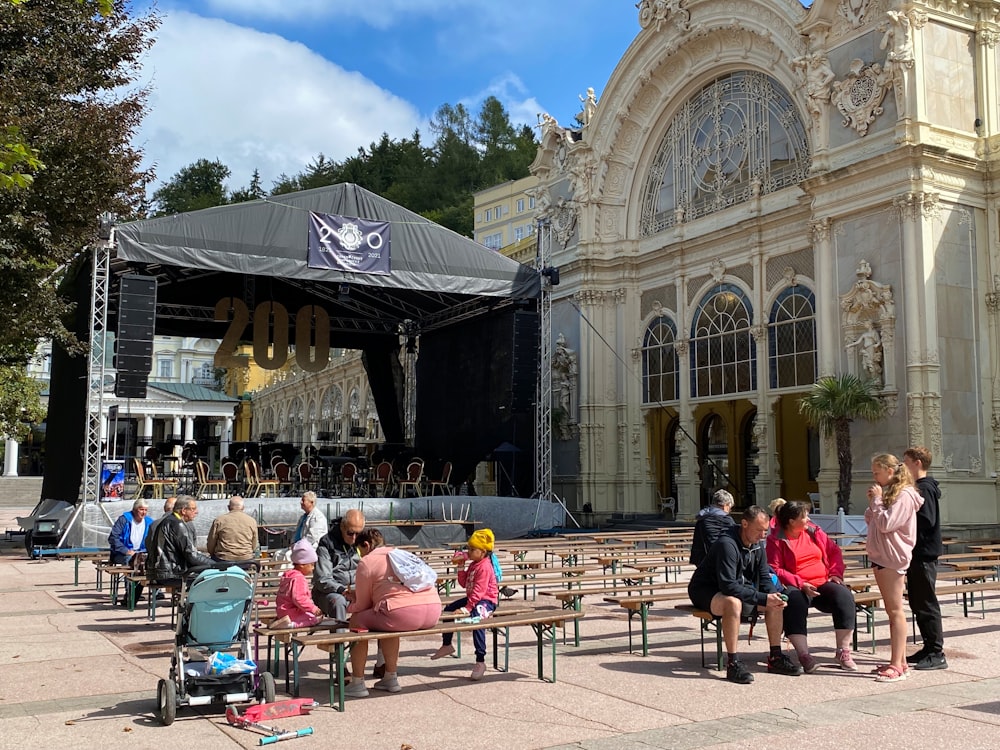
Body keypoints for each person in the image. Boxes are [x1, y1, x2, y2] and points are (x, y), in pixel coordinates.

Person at [687, 505, 802, 684]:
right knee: (733, 603)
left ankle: (775, 657)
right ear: (744, 524)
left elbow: (764, 577)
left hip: (737, 588)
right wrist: (763, 598)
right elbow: (728, 585)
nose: (763, 535)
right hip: (706, 590)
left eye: (766, 531)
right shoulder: (727, 544)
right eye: (759, 530)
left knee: (775, 602)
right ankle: (733, 663)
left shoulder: (758, 546)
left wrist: (773, 596)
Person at [343, 529, 442, 697]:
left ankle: (358, 682)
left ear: (366, 545)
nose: (358, 554)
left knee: (357, 620)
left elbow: (363, 604)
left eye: (359, 549)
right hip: (433, 609)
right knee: (389, 622)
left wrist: (349, 607)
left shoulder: (367, 561)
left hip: (401, 613)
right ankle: (391, 677)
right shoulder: (402, 554)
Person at [766, 500, 858, 672]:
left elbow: (834, 551)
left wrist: (835, 573)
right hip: (796, 584)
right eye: (804, 516)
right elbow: (775, 569)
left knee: (844, 596)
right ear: (792, 521)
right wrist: (801, 583)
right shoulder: (776, 539)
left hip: (822, 582)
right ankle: (804, 654)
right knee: (795, 601)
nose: (808, 519)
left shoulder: (814, 531)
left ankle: (843, 651)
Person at [865, 453, 924, 683]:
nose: (874, 477)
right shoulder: (891, 493)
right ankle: (899, 661)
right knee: (892, 611)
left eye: (876, 472)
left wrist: (878, 501)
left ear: (890, 471)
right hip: (883, 555)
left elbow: (887, 524)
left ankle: (897, 665)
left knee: (895, 611)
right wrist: (875, 503)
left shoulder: (905, 495)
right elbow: (873, 520)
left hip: (892, 557)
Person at [431, 528, 501, 680]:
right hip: (474, 598)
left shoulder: (484, 567)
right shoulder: (474, 564)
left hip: (487, 600)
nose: (468, 552)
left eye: (472, 549)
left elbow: (480, 590)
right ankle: (447, 644)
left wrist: (467, 608)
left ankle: (480, 660)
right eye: (468, 548)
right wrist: (461, 567)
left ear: (483, 551)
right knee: (449, 609)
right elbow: (464, 584)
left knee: (476, 620)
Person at [902, 446, 947, 670]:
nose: (903, 466)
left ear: (917, 463)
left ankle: (937, 652)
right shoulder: (919, 488)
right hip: (917, 553)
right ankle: (928, 647)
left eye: (906, 462)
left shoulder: (924, 488)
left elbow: (926, 520)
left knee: (927, 602)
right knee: (918, 602)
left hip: (924, 552)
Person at [312, 509, 365, 626]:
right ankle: (338, 641)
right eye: (350, 533)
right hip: (329, 592)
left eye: (358, 534)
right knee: (338, 602)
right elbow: (322, 579)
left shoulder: (363, 542)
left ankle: (361, 642)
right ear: (342, 527)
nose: (355, 538)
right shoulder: (326, 543)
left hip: (355, 590)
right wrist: (343, 590)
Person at [146, 495, 213, 584]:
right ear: (184, 510)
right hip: (170, 574)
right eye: (193, 509)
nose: (196, 512)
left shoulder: (169, 521)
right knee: (210, 579)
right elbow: (191, 555)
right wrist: (214, 565)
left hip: (161, 572)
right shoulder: (177, 524)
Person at [108, 499, 154, 606]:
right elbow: (113, 538)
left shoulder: (149, 522)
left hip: (141, 553)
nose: (143, 512)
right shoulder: (124, 519)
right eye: (141, 509)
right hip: (122, 554)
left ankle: (140, 593)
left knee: (147, 563)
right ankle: (130, 593)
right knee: (131, 562)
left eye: (145, 510)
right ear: (134, 510)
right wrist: (126, 551)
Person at [271, 539, 326, 629]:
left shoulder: (288, 576)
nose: (313, 568)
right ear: (302, 564)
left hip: (283, 612)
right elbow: (299, 598)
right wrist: (313, 609)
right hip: (292, 613)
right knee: (315, 619)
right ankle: (290, 625)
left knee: (310, 615)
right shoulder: (299, 578)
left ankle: (283, 621)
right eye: (311, 565)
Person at [689, 489, 735, 567]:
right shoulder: (727, 521)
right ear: (725, 506)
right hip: (721, 561)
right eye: (730, 507)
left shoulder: (701, 519)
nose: (730, 511)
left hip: (702, 561)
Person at [206, 495, 259, 563]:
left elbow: (211, 543)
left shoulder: (219, 520)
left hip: (224, 559)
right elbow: (254, 544)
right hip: (246, 560)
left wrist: (212, 553)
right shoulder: (252, 521)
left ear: (228, 507)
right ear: (243, 508)